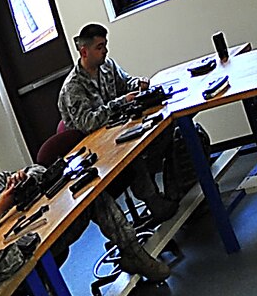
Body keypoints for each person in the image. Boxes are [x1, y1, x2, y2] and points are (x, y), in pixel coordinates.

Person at [0, 140, 170, 283]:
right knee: (36, 266)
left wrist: (26, 176)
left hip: (46, 233)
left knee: (94, 197)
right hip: (20, 260)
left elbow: (38, 169)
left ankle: (134, 254)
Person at [58, 22, 177, 222]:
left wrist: (138, 84)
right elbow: (88, 123)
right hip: (95, 149)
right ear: (84, 52)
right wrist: (121, 102)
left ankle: (173, 189)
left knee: (166, 128)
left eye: (105, 45)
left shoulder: (107, 66)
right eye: (100, 47)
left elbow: (126, 83)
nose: (105, 50)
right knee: (132, 151)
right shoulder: (73, 87)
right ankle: (153, 201)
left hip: (118, 130)